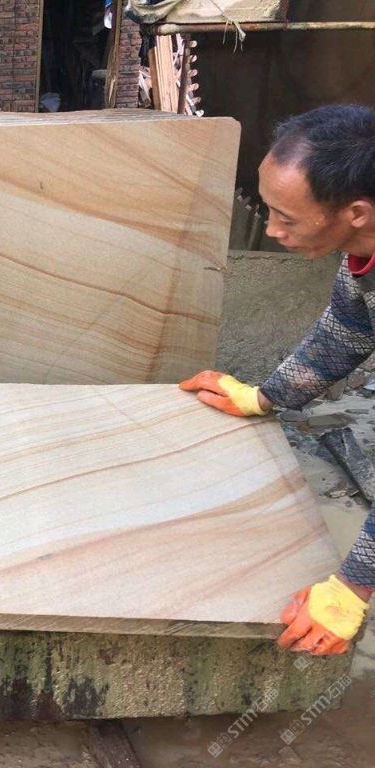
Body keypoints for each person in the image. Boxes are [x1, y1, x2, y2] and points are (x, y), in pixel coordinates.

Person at [180, 104, 375, 656]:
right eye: (269, 210)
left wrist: (354, 586)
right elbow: (349, 327)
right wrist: (267, 396)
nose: (271, 230)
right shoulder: (362, 248)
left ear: (356, 212)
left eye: (287, 217)